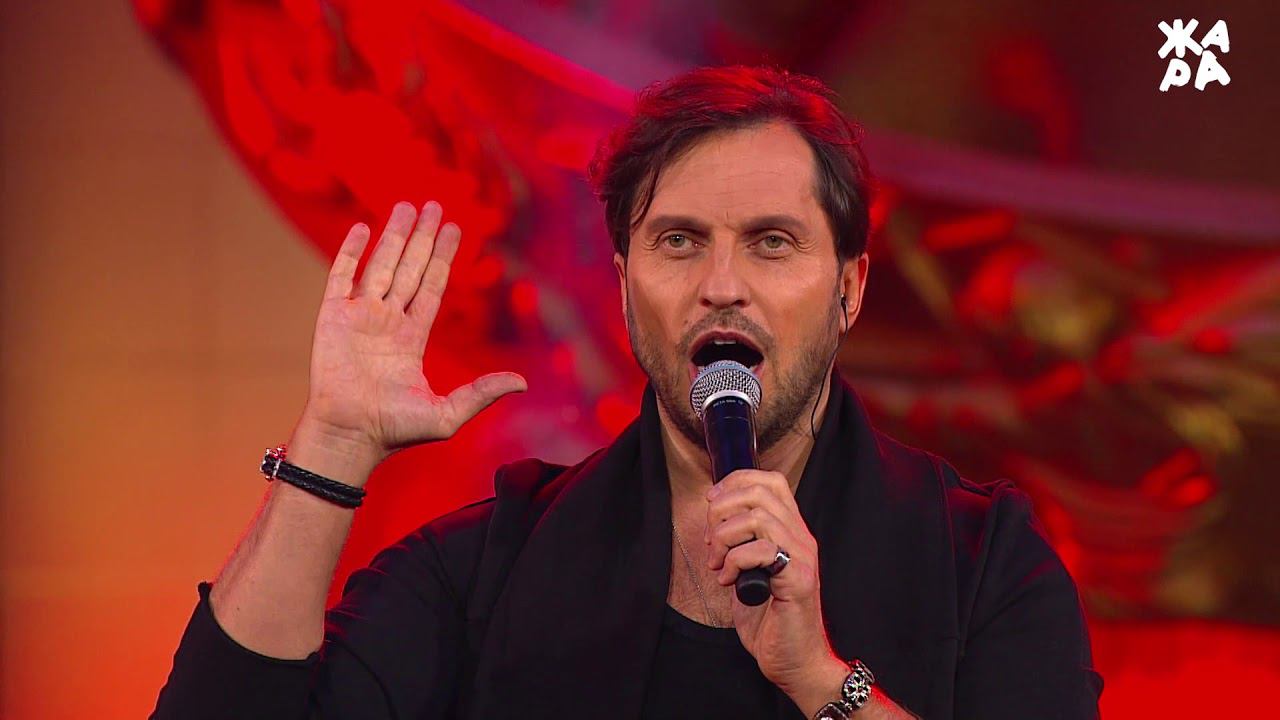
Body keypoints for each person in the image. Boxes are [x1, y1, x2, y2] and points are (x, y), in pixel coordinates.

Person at [151, 65, 1102, 719]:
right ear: (622, 284)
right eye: (679, 241)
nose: (721, 285)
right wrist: (331, 446)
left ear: (849, 288)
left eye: (772, 243)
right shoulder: (486, 569)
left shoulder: (986, 564)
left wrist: (821, 678)